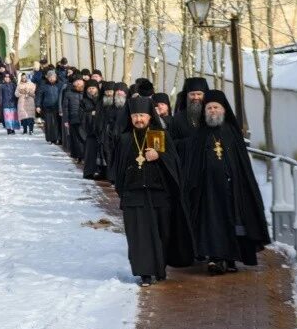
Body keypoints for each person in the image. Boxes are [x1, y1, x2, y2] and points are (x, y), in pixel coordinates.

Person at [180, 90, 270, 275]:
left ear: (223, 110)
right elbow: (192, 164)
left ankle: (230, 259)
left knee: (233, 223)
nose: (213, 111)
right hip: (208, 191)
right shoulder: (200, 134)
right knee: (211, 224)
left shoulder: (232, 133)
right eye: (209, 108)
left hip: (231, 189)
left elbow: (242, 166)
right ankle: (215, 259)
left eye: (216, 107)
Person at [110, 97, 194, 286]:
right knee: (139, 237)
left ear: (149, 117)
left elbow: (173, 164)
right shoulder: (125, 139)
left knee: (161, 233)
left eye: (142, 115)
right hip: (134, 196)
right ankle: (145, 273)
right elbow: (117, 169)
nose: (139, 119)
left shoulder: (156, 136)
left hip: (158, 195)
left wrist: (160, 155)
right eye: (135, 116)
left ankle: (159, 268)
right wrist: (123, 191)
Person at [169, 76, 209, 143]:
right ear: (187, 96)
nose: (196, 97)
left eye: (199, 94)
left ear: (205, 95)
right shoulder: (178, 118)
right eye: (192, 94)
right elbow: (172, 143)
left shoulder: (212, 116)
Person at [80, 81, 102, 179]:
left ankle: (101, 172)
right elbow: (80, 114)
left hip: (100, 130)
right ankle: (89, 172)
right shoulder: (84, 101)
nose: (91, 90)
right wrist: (90, 114)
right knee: (90, 152)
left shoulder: (101, 100)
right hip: (89, 130)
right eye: (89, 88)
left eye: (93, 88)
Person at [34, 69, 63, 144]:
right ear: (47, 77)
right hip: (47, 107)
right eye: (50, 77)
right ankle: (51, 138)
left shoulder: (60, 84)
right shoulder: (43, 85)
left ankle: (59, 138)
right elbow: (39, 96)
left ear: (56, 77)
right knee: (50, 124)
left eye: (53, 77)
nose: (51, 78)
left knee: (58, 123)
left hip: (58, 107)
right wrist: (38, 106)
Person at [62, 77, 86, 159]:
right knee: (75, 138)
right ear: (74, 84)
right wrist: (65, 120)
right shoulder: (68, 93)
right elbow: (65, 107)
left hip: (84, 119)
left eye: (81, 84)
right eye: (77, 84)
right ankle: (78, 155)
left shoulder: (86, 93)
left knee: (84, 137)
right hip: (73, 118)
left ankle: (84, 155)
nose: (79, 85)